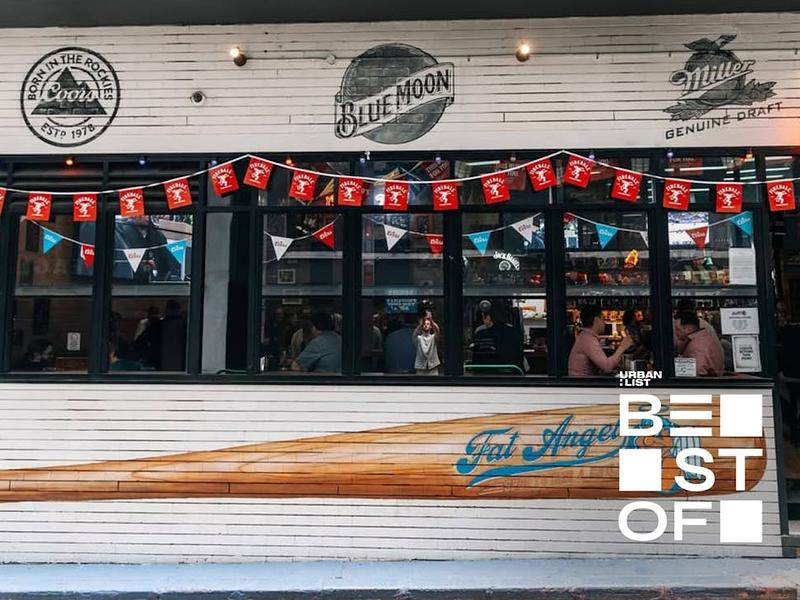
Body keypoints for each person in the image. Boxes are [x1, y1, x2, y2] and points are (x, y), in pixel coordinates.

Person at [568, 305, 633, 377]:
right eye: (603, 319)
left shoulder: (585, 336)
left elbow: (601, 366)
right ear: (596, 320)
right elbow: (607, 367)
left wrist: (616, 366)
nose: (604, 323)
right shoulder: (588, 339)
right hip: (582, 382)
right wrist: (623, 346)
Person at [472, 301, 525, 373]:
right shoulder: (516, 332)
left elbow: (478, 358)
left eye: (483, 317)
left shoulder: (481, 334)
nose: (483, 321)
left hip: (489, 373)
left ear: (488, 317)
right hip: (515, 371)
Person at [674, 311, 724, 376]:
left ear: (688, 329)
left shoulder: (697, 347)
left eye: (677, 329)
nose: (676, 332)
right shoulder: (703, 338)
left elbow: (697, 373)